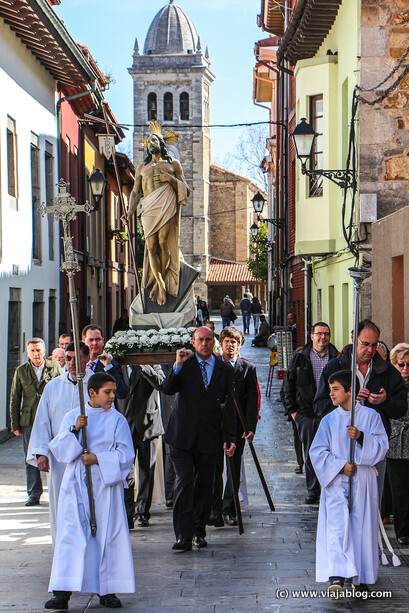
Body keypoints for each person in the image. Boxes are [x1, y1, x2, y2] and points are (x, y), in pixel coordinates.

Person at [45, 373, 134, 611]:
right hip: (76, 485)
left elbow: (126, 455)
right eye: (108, 392)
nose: (112, 397)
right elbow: (60, 451)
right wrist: (75, 430)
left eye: (114, 392)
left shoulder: (117, 420)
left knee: (106, 538)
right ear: (92, 393)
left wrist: (98, 459)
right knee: (71, 536)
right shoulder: (73, 417)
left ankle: (106, 589)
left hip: (105, 486)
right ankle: (62, 592)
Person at [310, 370, 388, 596]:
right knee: (337, 527)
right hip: (335, 482)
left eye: (335, 389)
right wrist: (340, 466)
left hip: (362, 481)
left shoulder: (371, 417)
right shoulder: (329, 420)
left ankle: (359, 574)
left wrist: (362, 437)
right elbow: (317, 451)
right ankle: (336, 576)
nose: (330, 393)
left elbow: (382, 446)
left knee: (359, 527)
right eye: (330, 388)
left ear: (350, 391)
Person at [314, 319, 407, 501]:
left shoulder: (387, 371)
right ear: (354, 339)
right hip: (340, 448)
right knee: (340, 504)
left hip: (372, 449)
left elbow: (401, 408)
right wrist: (346, 400)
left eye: (374, 345)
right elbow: (319, 405)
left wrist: (385, 401)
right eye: (365, 344)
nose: (370, 350)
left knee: (371, 505)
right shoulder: (335, 367)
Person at [162, 326, 236, 551]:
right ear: (193, 343)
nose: (204, 343)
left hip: (208, 437)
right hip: (182, 436)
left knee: (205, 486)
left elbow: (229, 406)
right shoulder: (183, 365)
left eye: (208, 340)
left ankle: (198, 531)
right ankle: (182, 536)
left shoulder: (224, 369)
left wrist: (229, 437)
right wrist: (176, 366)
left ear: (213, 342)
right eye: (200, 340)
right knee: (184, 483)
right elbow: (167, 389)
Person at [27, 342, 92, 544]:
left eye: (76, 358)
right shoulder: (53, 387)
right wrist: (41, 453)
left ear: (87, 359)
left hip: (87, 456)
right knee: (60, 501)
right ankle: (60, 545)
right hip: (60, 457)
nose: (71, 363)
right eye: (68, 358)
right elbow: (42, 421)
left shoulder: (95, 386)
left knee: (86, 502)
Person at [125, 128, 190, 306]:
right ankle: (159, 282)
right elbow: (136, 192)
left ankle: (161, 284)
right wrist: (130, 211)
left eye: (154, 141)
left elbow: (186, 188)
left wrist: (169, 179)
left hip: (166, 206)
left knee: (163, 243)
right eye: (148, 142)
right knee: (151, 247)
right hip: (149, 208)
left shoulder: (173, 164)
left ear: (161, 144)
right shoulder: (141, 168)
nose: (150, 144)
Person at [283, 322, 338, 504]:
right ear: (312, 336)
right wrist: (293, 413)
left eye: (326, 334)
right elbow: (288, 386)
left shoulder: (337, 358)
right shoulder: (300, 357)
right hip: (306, 415)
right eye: (319, 334)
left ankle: (328, 488)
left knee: (332, 453)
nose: (323, 337)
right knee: (311, 454)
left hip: (330, 414)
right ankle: (313, 491)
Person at [209, 326, 258, 527]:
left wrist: (250, 427)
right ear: (221, 343)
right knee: (213, 469)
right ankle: (215, 510)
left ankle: (230, 508)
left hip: (237, 426)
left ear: (239, 346)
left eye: (234, 342)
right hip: (213, 425)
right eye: (227, 341)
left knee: (233, 468)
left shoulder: (248, 368)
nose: (230, 345)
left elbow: (252, 400)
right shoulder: (212, 365)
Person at [9, 337, 62, 506]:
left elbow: (63, 389)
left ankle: (59, 488)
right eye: (32, 350)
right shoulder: (21, 371)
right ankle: (34, 493)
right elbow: (15, 398)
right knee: (30, 457)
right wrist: (15, 424)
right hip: (29, 420)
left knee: (55, 455)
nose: (36, 354)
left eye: (39, 350)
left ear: (45, 351)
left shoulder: (55, 367)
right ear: (27, 352)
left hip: (52, 419)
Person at [117, 364, 165, 529]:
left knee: (146, 472)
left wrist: (146, 368)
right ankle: (127, 514)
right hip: (124, 427)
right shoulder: (117, 364)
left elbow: (162, 385)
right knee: (126, 474)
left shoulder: (152, 364)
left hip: (148, 425)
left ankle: (142, 512)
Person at [386, 343, 409, 546]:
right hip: (396, 443)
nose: (405, 369)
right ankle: (402, 531)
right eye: (401, 364)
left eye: (408, 365)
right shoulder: (390, 385)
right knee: (399, 490)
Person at [82, 324, 128, 400]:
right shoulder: (78, 364)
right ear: (84, 342)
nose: (95, 343)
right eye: (91, 340)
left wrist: (108, 367)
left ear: (103, 341)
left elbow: (121, 393)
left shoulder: (112, 366)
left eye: (98, 339)